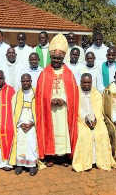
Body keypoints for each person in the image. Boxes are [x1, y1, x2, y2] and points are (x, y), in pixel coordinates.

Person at [35, 34, 79, 167]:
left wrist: (64, 100)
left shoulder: (69, 73)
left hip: (64, 109)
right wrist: (50, 100)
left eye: (59, 58)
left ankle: (64, 157)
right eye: (54, 58)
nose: (56, 60)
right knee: (50, 130)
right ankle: (50, 156)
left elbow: (73, 93)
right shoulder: (44, 73)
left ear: (63, 58)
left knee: (63, 131)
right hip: (49, 110)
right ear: (50, 57)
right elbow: (39, 94)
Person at [72, 74, 116, 172]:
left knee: (102, 133)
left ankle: (99, 161)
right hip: (80, 120)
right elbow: (76, 109)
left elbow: (98, 110)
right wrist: (85, 119)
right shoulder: (76, 92)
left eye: (89, 82)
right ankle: (87, 162)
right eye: (84, 82)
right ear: (80, 82)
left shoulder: (96, 93)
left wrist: (94, 120)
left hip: (96, 120)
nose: (86, 85)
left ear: (92, 83)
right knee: (84, 135)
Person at [9, 74, 38, 176]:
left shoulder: (36, 94)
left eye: (27, 81)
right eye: (23, 81)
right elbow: (13, 112)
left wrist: (32, 124)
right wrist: (20, 124)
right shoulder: (16, 96)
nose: (25, 83)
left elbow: (40, 111)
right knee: (20, 143)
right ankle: (20, 164)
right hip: (20, 125)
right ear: (21, 82)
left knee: (31, 143)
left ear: (31, 81)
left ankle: (32, 165)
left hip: (33, 125)